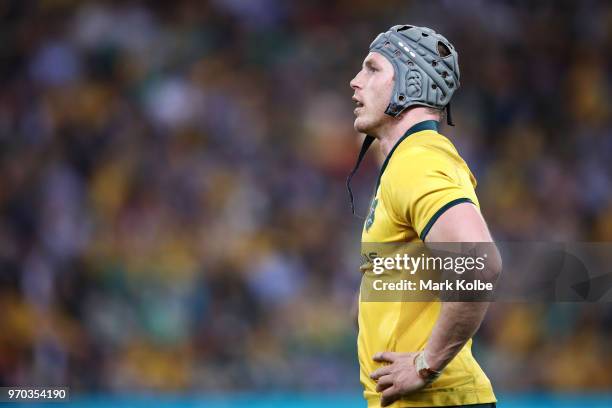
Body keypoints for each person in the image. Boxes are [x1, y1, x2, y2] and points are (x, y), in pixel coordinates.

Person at [347, 25, 502, 407]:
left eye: (372, 69)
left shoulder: (419, 160)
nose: (355, 82)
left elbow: (478, 262)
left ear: (411, 82)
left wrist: (424, 365)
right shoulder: (405, 163)